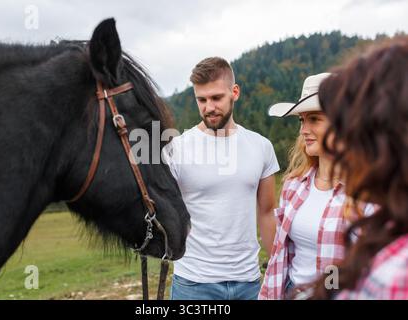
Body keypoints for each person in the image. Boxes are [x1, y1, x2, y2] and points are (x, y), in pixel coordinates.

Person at [163, 57, 280, 300]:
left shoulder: (261, 147)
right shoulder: (175, 149)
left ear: (234, 92)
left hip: (248, 282)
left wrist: (279, 267)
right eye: (201, 100)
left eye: (216, 98)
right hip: (193, 284)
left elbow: (267, 212)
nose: (208, 107)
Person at [258, 73, 375, 300]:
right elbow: (281, 258)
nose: (303, 130)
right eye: (302, 120)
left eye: (314, 119)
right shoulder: (294, 185)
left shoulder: (367, 194)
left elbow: (371, 270)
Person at [310, 38, 408, 299]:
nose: (338, 145)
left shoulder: (394, 277)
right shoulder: (295, 185)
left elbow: (333, 264)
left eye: (348, 132)